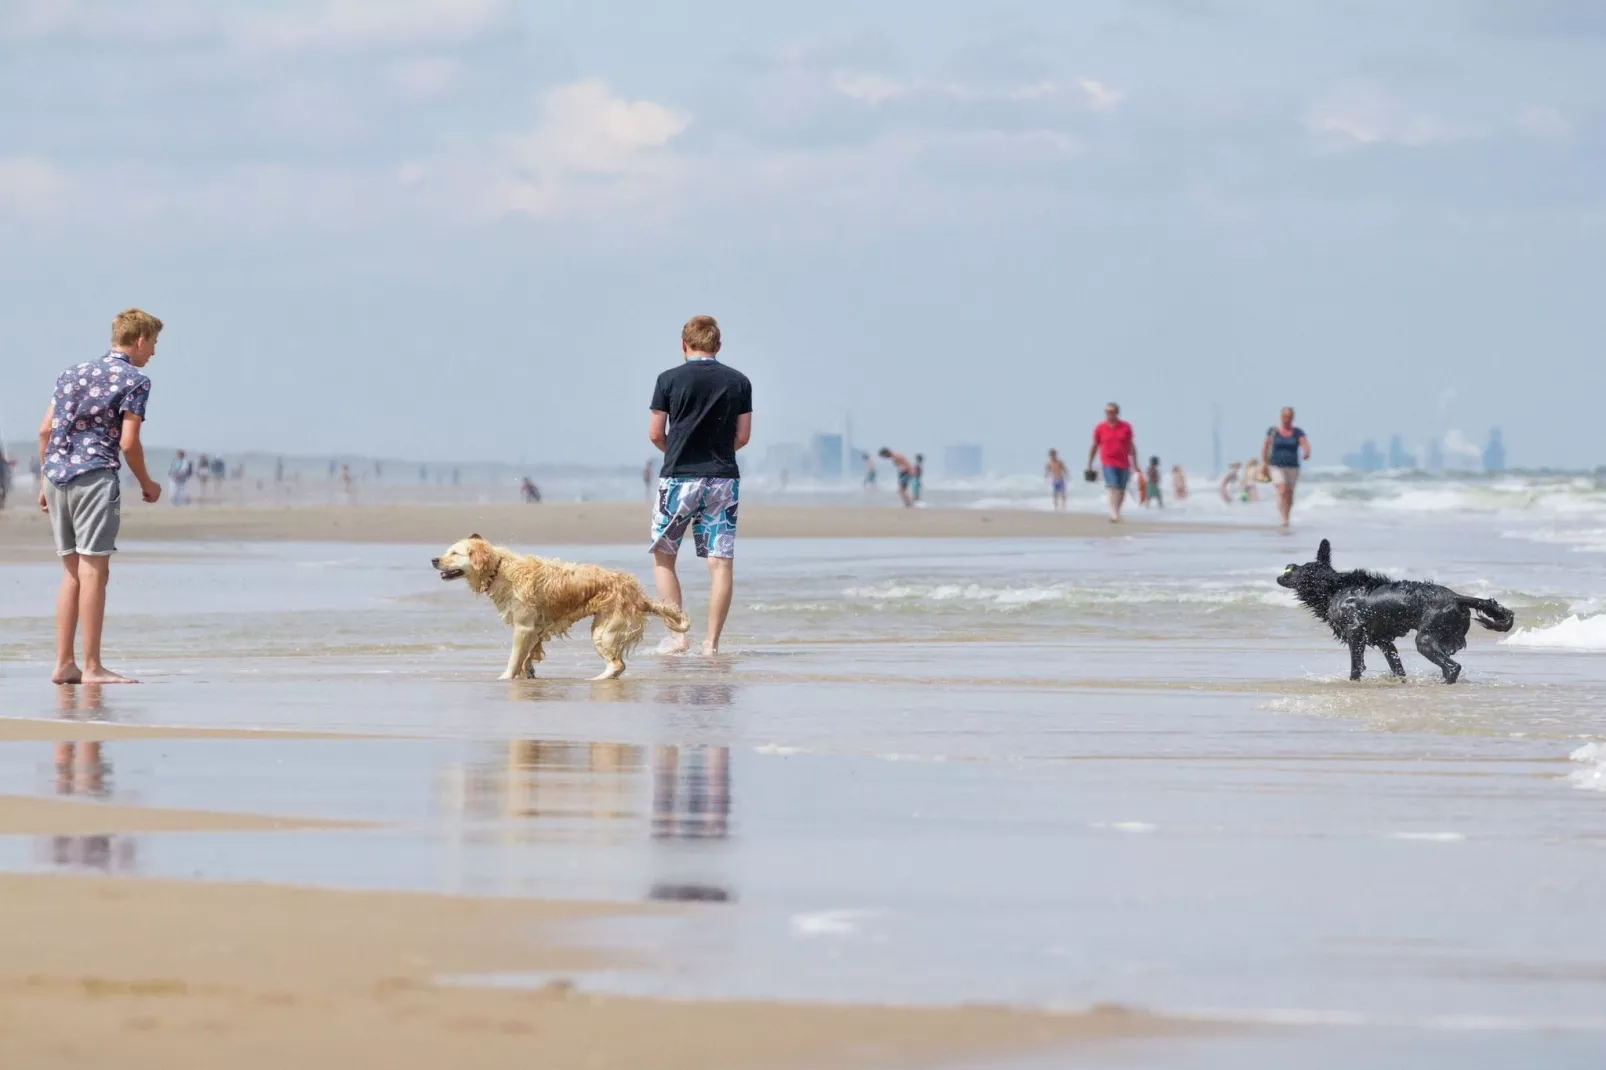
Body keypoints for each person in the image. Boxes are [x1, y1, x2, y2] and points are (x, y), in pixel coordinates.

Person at [36, 308, 163, 684]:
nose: (153, 352)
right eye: (153, 344)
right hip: (94, 478)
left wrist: (47, 478)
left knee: (71, 573)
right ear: (139, 340)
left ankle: (64, 663)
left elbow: (45, 431)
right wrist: (147, 483)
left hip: (57, 477)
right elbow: (128, 442)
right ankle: (91, 666)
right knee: (95, 572)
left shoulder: (70, 374)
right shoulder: (135, 380)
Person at [648, 314, 752, 657]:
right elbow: (743, 437)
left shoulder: (668, 379)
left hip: (678, 477)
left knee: (665, 556)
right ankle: (711, 645)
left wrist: (676, 451)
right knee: (720, 562)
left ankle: (678, 637)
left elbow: (655, 434)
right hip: (723, 478)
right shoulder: (739, 381)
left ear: (683, 345)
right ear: (717, 346)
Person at [1085, 402, 1139, 522]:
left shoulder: (1126, 427)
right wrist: (1090, 462)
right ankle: (1113, 514)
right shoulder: (1100, 428)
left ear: (1117, 413)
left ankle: (1116, 511)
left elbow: (1131, 445)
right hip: (1108, 462)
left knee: (1121, 491)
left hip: (1124, 463)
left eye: (1112, 411)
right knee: (1112, 487)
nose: (1109, 414)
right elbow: (1095, 445)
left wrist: (1135, 463)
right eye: (1107, 412)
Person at [1263, 406, 1312, 529]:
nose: (1287, 420)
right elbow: (1265, 447)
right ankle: (1282, 518)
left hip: (1292, 466)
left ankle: (1287, 515)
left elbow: (1304, 444)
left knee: (1290, 493)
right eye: (1285, 417)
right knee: (1282, 489)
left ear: (1293, 418)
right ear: (1281, 417)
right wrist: (1264, 463)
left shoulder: (1297, 432)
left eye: (1289, 417)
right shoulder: (1273, 431)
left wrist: (1306, 452)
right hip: (1276, 465)